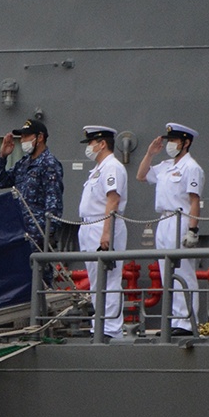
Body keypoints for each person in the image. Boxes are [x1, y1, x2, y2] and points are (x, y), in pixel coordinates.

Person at [138, 124, 205, 335]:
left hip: (181, 220)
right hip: (164, 220)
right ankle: (176, 321)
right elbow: (141, 175)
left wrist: (192, 230)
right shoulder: (166, 165)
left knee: (184, 272)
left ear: (186, 143)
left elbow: (194, 200)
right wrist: (150, 153)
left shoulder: (192, 167)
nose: (170, 144)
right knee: (168, 273)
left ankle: (187, 322)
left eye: (174, 141)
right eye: (169, 141)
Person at [75, 126, 128, 339]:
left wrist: (106, 233)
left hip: (103, 225)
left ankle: (111, 329)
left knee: (110, 279)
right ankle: (100, 324)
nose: (89, 147)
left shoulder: (112, 167)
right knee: (97, 280)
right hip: (90, 225)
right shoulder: (98, 169)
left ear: (102, 144)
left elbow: (112, 199)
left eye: (91, 143)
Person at [0, 114, 64, 242]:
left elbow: (54, 203)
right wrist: (2, 156)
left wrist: (47, 234)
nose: (22, 140)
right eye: (22, 137)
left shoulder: (49, 164)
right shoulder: (23, 163)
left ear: (39, 137)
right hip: (18, 230)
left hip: (37, 234)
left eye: (26, 136)